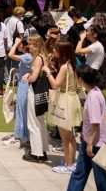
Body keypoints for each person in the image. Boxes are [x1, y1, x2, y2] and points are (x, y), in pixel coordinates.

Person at [66, 64, 106, 191]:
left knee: (102, 180)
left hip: (96, 144)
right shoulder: (95, 91)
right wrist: (83, 133)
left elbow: (96, 123)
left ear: (80, 79)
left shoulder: (93, 96)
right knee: (80, 173)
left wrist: (90, 143)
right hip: (89, 141)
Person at [42, 39, 81, 174]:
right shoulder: (72, 64)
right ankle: (72, 161)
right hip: (72, 99)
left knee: (66, 136)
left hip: (65, 101)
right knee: (70, 135)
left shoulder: (65, 67)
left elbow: (55, 84)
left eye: (56, 49)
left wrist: (47, 71)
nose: (53, 51)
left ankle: (69, 165)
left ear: (61, 52)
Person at [21, 35, 50, 163]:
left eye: (30, 44)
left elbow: (34, 77)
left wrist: (28, 77)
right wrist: (29, 73)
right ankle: (42, 150)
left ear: (36, 45)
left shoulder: (38, 58)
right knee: (40, 121)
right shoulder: (44, 56)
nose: (28, 46)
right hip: (42, 91)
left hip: (35, 90)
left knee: (33, 122)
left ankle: (36, 152)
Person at [5, 36, 31, 148]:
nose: (18, 45)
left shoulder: (26, 56)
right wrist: (19, 70)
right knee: (22, 111)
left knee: (21, 110)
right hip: (23, 85)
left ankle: (19, 137)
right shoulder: (27, 57)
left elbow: (10, 55)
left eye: (20, 44)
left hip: (24, 86)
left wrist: (15, 43)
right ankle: (23, 136)